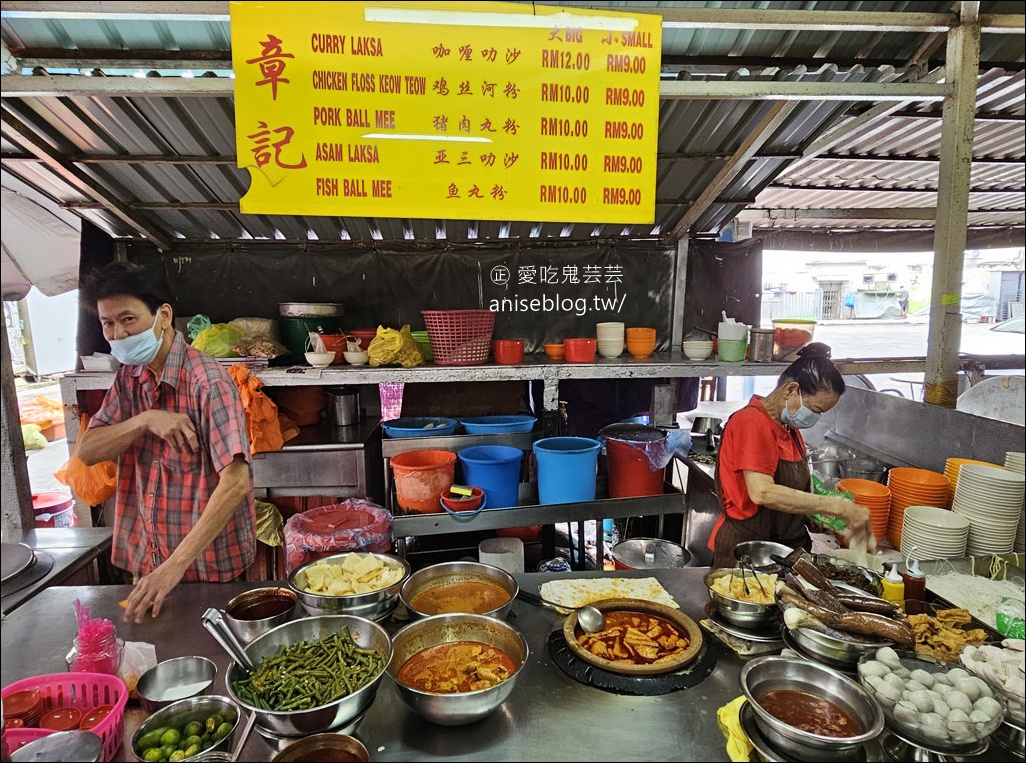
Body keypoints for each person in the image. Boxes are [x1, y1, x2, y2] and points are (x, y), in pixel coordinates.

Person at [77, 262, 256, 623]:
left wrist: (173, 567)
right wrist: (144, 421)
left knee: (211, 660)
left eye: (128, 319)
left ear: (163, 315)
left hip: (203, 569)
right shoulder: (130, 378)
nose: (118, 334)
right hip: (147, 561)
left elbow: (236, 480)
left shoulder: (207, 383)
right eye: (108, 323)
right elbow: (88, 450)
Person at [709, 343, 872, 568]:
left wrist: (815, 518)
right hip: (750, 552)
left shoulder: (790, 429)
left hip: (786, 550)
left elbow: (793, 489)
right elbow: (762, 492)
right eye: (815, 410)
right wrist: (834, 506)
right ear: (790, 390)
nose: (815, 418)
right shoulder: (752, 422)